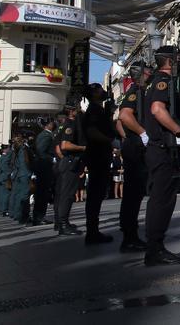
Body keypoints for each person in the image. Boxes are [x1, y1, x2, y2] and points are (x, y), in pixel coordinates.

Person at [142, 45, 180, 266]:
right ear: (169, 61)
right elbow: (157, 110)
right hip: (161, 148)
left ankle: (155, 247)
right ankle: (155, 249)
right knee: (162, 200)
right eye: (177, 58)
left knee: (161, 200)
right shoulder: (164, 81)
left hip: (159, 148)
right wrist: (178, 131)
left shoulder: (155, 81)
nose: (179, 61)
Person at [116, 62, 150, 252]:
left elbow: (119, 123)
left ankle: (131, 234)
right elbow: (124, 116)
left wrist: (127, 137)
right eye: (148, 71)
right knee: (132, 193)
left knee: (134, 194)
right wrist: (140, 134)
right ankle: (129, 236)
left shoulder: (136, 91)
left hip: (132, 145)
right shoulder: (135, 91)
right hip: (135, 149)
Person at [81, 83, 116, 243]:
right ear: (94, 93)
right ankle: (92, 232)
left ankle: (93, 230)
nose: (103, 92)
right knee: (95, 194)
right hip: (98, 154)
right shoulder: (94, 110)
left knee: (97, 193)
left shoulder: (99, 109)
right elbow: (92, 131)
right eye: (100, 89)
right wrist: (109, 140)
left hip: (100, 154)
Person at [53, 103, 84, 235]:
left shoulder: (62, 126)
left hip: (65, 162)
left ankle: (61, 222)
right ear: (71, 111)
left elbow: (58, 148)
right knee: (67, 194)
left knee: (62, 194)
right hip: (70, 162)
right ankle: (63, 224)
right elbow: (65, 145)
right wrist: (83, 148)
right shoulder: (70, 124)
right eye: (77, 108)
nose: (79, 110)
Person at [29, 116, 58, 226]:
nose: (53, 124)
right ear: (47, 125)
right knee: (42, 193)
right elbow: (41, 152)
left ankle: (40, 216)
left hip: (45, 168)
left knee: (43, 193)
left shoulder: (48, 134)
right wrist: (53, 159)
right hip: (44, 168)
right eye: (52, 123)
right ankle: (38, 217)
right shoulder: (45, 135)